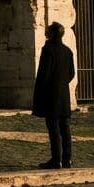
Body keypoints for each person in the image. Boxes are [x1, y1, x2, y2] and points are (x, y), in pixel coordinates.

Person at [32, 21, 75, 169]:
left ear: (51, 34)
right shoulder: (67, 51)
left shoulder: (48, 50)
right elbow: (71, 74)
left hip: (51, 94)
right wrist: (61, 83)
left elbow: (44, 74)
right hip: (63, 95)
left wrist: (41, 92)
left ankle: (56, 159)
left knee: (54, 128)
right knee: (65, 127)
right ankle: (67, 158)